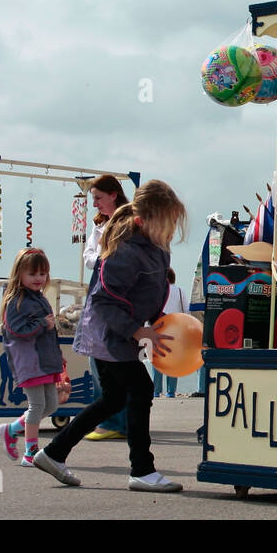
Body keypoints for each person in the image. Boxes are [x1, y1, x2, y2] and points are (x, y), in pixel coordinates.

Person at [34, 179, 188, 492]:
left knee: (114, 398)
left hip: (120, 333)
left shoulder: (157, 249)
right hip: (107, 334)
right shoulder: (126, 251)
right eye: (168, 220)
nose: (173, 227)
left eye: (175, 219)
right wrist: (137, 330)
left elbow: (150, 293)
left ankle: (53, 453)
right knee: (141, 389)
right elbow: (104, 301)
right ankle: (142, 470)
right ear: (144, 220)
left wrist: (160, 322)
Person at [0, 249, 64, 467]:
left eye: (42, 274)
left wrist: (58, 357)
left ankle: (12, 429)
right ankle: (30, 451)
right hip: (29, 361)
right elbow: (18, 330)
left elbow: (48, 333)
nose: (39, 279)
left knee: (51, 405)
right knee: (37, 406)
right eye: (33, 274)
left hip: (44, 360)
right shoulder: (16, 301)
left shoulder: (40, 298)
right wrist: (43, 324)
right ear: (20, 275)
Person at [83, 175, 129, 441]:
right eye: (93, 199)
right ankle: (106, 417)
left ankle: (115, 420)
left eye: (98, 198)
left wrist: (105, 257)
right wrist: (102, 257)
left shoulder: (127, 221)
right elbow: (89, 255)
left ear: (113, 195)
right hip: (99, 287)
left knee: (113, 358)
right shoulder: (99, 224)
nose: (95, 204)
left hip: (117, 292)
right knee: (95, 355)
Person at [152, 267, 187, 398]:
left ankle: (156, 391)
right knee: (173, 360)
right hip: (176, 330)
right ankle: (171, 391)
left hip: (158, 328)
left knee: (157, 360)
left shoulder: (157, 291)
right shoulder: (179, 291)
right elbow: (186, 311)